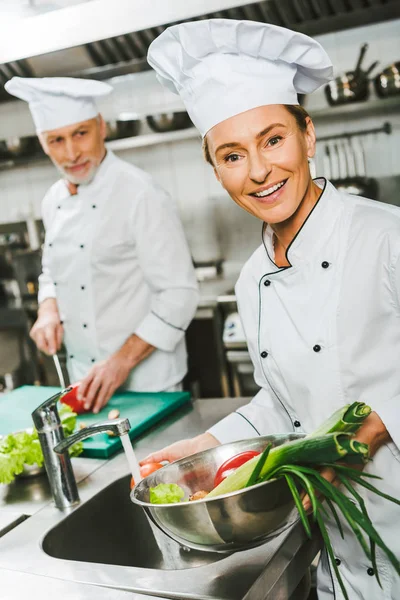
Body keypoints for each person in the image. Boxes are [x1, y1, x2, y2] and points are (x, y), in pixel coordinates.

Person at [140, 19, 400, 599]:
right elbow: (285, 401)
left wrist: (363, 434)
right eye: (232, 154)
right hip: (336, 556)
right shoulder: (253, 276)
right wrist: (206, 450)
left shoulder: (387, 238)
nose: (258, 171)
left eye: (273, 140)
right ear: (214, 167)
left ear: (307, 135)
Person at [5, 77, 199, 413]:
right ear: (43, 142)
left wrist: (121, 362)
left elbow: (179, 294)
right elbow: (52, 269)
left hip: (149, 385)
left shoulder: (141, 193)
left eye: (81, 133)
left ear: (101, 127)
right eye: (57, 140)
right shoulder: (53, 200)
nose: (71, 152)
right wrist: (48, 308)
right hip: (84, 384)